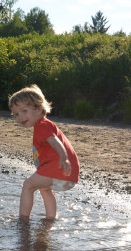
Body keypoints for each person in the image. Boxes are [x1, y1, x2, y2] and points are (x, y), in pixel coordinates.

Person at [8, 85, 79, 221]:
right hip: (68, 175)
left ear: (39, 109)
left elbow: (55, 142)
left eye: (24, 111)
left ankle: (23, 220)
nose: (20, 117)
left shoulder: (42, 126)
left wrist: (63, 158)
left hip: (59, 169)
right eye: (16, 114)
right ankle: (50, 219)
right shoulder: (44, 125)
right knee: (44, 189)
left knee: (28, 186)